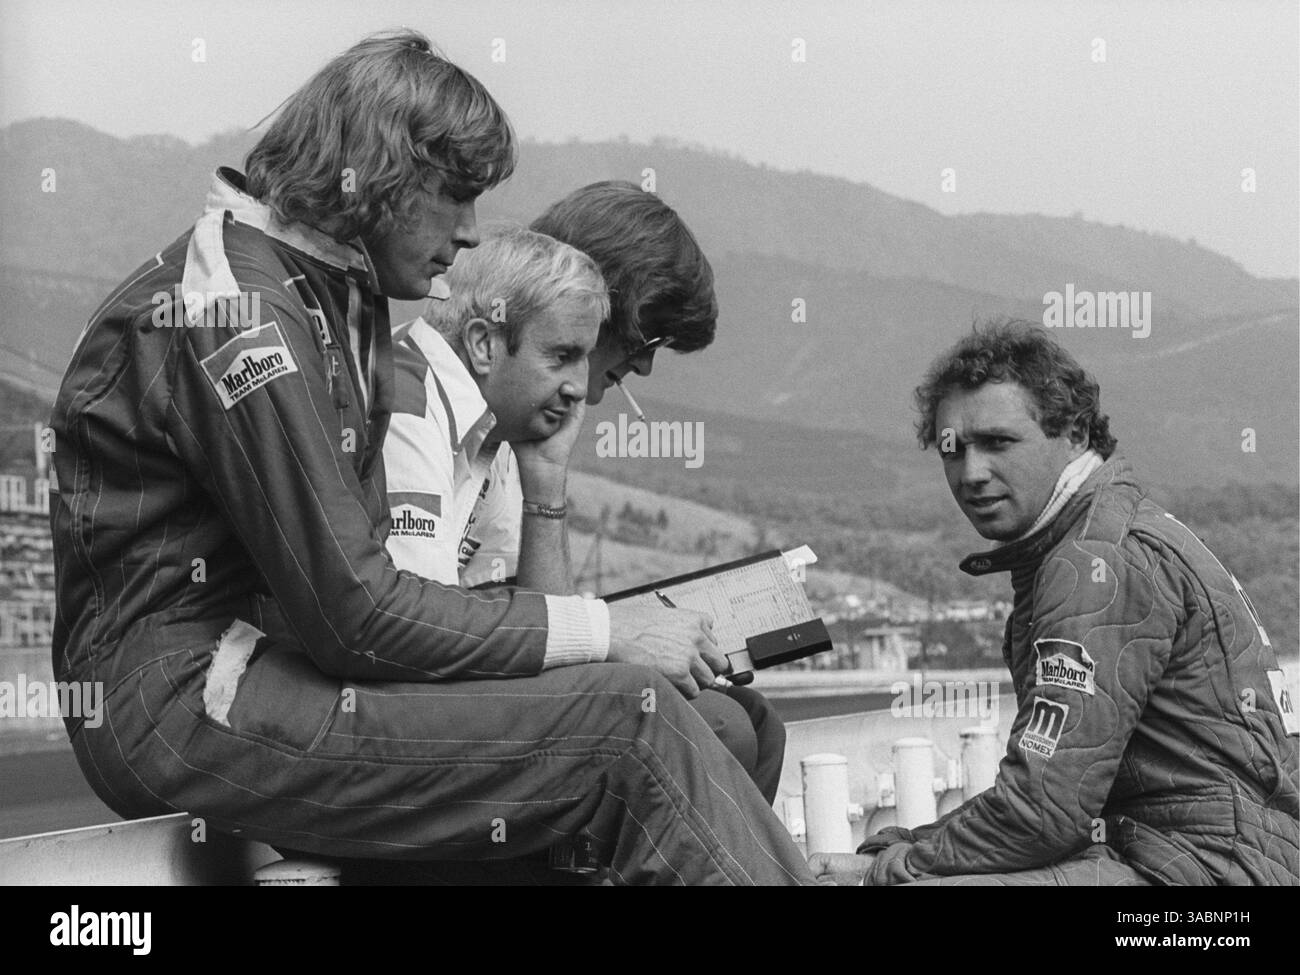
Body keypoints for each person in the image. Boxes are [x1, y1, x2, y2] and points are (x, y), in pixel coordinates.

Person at [48, 29, 813, 886]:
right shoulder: (239, 310)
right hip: (186, 699)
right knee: (625, 719)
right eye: (455, 195)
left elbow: (362, 598)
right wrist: (606, 630)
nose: (471, 230)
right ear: (378, 177)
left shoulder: (335, 292)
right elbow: (356, 611)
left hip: (268, 669)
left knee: (654, 718)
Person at [812, 320, 1298, 886]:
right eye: (953, 449)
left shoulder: (1095, 563)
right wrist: (906, 845)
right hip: (1206, 855)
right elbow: (1048, 797)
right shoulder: (1107, 533)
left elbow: (1044, 811)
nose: (971, 473)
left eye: (998, 443)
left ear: (1072, 433)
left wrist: (884, 866)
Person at [383, 208, 785, 803]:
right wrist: (609, 633)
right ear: (484, 344)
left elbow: (528, 611)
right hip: (417, 709)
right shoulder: (411, 410)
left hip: (457, 690)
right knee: (714, 726)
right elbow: (433, 628)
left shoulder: (495, 426)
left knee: (753, 723)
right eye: (564, 354)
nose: (581, 388)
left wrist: (546, 479)